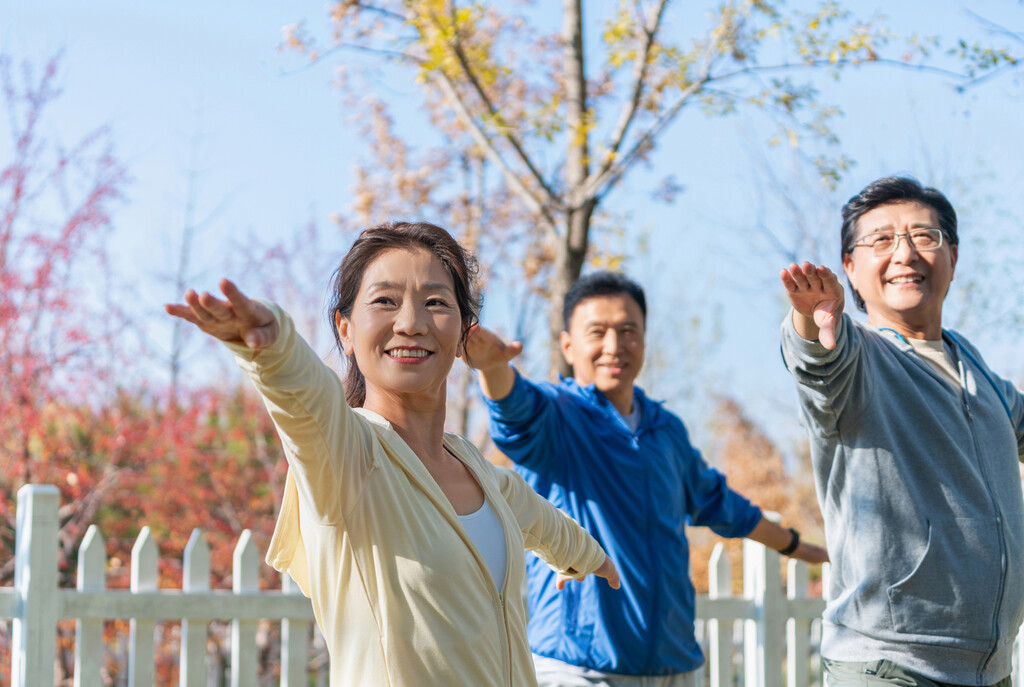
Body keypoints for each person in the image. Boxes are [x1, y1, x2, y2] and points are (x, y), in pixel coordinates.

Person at [165, 221, 620, 687]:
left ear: (465, 332)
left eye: (436, 303)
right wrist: (273, 347)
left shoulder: (482, 475)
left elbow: (543, 522)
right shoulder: (347, 456)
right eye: (385, 301)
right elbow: (307, 404)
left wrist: (591, 559)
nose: (411, 323)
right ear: (345, 328)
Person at [465, 270, 827, 686]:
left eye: (628, 331)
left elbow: (720, 504)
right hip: (579, 667)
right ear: (568, 345)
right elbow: (515, 411)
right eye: (597, 332)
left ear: (644, 340)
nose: (614, 346)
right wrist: (493, 369)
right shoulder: (556, 416)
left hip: (672, 663)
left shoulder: (666, 429)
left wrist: (801, 548)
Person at [779, 176, 1024, 687]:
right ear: (850, 267)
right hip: (891, 666)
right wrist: (810, 324)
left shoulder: (979, 374)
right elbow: (819, 366)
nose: (905, 253)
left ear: (952, 258)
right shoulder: (863, 359)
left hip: (990, 669)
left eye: (924, 237)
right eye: (882, 240)